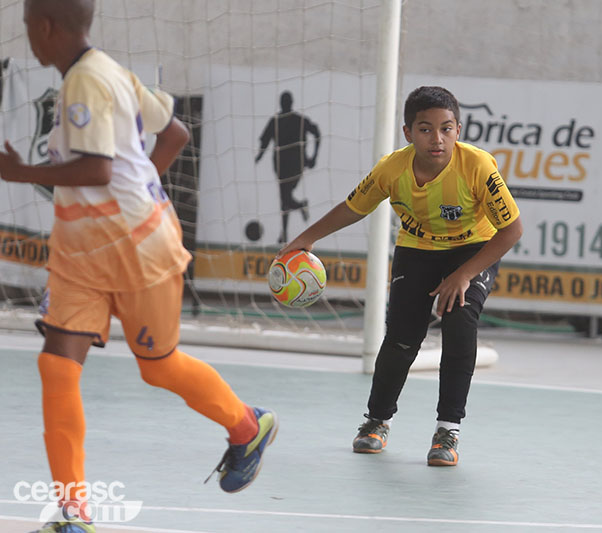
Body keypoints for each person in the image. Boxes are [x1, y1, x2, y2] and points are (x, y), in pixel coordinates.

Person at [0, 1, 278, 531]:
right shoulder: (113, 72)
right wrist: (144, 185)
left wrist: (17, 173)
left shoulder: (87, 81)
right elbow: (175, 135)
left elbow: (99, 169)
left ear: (44, 27)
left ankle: (248, 426)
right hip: (79, 255)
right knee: (56, 366)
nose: (28, 39)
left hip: (140, 250)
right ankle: (74, 513)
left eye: (27, 28)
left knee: (159, 368)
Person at [281, 86, 523, 466]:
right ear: (408, 132)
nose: (437, 138)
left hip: (473, 250)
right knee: (401, 339)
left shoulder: (477, 166)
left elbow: (512, 230)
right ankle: (376, 422)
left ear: (458, 129)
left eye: (446, 128)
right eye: (425, 129)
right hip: (418, 249)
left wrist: (462, 275)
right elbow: (353, 207)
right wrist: (306, 238)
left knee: (460, 322)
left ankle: (448, 431)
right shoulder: (391, 168)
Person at [255, 90, 321, 244]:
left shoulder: (299, 120)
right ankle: (286, 228)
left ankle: (289, 224)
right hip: (282, 164)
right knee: (285, 197)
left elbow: (317, 133)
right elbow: (265, 141)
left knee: (284, 196)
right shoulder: (276, 120)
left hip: (295, 163)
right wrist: (259, 156)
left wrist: (314, 157)